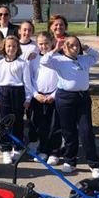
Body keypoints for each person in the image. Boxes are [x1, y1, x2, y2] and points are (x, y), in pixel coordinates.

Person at [41, 35, 99, 178]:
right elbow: (44, 61)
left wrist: (87, 48)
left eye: (77, 45)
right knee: (68, 131)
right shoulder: (58, 60)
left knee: (86, 131)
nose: (75, 48)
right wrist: (56, 48)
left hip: (82, 98)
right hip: (65, 98)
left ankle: (94, 164)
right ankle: (70, 160)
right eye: (71, 45)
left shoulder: (84, 60)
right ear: (65, 47)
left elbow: (96, 56)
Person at [0, 36, 32, 164]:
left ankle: (17, 147)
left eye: (14, 46)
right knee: (4, 122)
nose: (11, 48)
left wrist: (28, 98)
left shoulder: (22, 63)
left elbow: (27, 82)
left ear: (17, 48)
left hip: (17, 93)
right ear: (4, 47)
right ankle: (5, 149)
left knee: (18, 121)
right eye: (9, 46)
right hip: (3, 93)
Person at [29, 32, 60, 165]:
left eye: (46, 43)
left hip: (54, 96)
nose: (43, 46)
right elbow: (29, 79)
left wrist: (53, 95)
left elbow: (62, 79)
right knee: (41, 126)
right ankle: (43, 150)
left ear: (52, 42)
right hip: (39, 96)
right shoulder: (34, 58)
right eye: (40, 44)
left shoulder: (58, 58)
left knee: (55, 125)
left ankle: (54, 152)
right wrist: (36, 94)